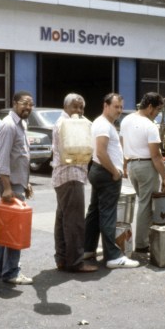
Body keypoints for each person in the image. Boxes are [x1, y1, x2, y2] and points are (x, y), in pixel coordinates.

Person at [85, 93, 140, 269]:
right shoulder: (103, 125)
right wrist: (114, 172)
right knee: (107, 215)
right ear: (106, 105)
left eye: (121, 107)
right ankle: (113, 256)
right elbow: (101, 152)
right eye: (116, 107)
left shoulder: (103, 123)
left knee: (94, 212)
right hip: (106, 173)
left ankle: (87, 248)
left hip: (99, 171)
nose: (119, 110)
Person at [51, 93, 96, 273]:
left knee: (62, 219)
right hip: (71, 176)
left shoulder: (64, 122)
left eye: (81, 107)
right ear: (66, 108)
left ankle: (62, 258)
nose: (78, 111)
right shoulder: (67, 124)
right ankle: (76, 262)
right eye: (75, 107)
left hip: (62, 177)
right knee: (75, 221)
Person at [0, 91, 34, 286]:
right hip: (9, 183)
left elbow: (20, 156)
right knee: (15, 228)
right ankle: (11, 271)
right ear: (15, 103)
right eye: (25, 103)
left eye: (31, 104)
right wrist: (8, 187)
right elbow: (2, 160)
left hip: (17, 182)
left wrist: (26, 183)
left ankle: (0, 268)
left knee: (7, 228)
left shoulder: (22, 124)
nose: (28, 107)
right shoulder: (8, 126)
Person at [119, 92, 165, 253]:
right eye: (157, 110)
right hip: (147, 166)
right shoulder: (149, 125)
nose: (157, 114)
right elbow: (156, 155)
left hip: (133, 165)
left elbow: (122, 144)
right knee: (145, 205)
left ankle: (142, 240)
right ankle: (141, 243)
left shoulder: (126, 120)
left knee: (143, 202)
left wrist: (125, 165)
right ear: (149, 107)